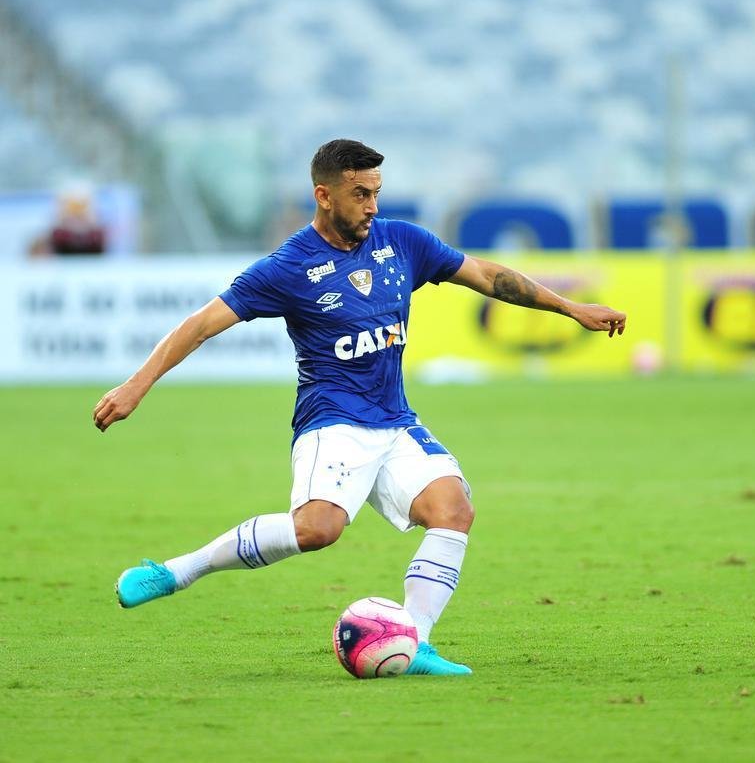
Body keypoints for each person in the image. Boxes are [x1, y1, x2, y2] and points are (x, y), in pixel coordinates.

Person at [95, 139, 627, 675]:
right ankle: (177, 571)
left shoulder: (402, 242)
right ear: (324, 196)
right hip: (333, 422)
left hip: (396, 422)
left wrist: (569, 307)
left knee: (453, 511)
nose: (372, 205)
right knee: (317, 531)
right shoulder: (287, 268)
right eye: (360, 194)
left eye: (376, 192)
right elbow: (201, 324)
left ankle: (413, 642)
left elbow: (488, 276)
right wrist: (136, 385)